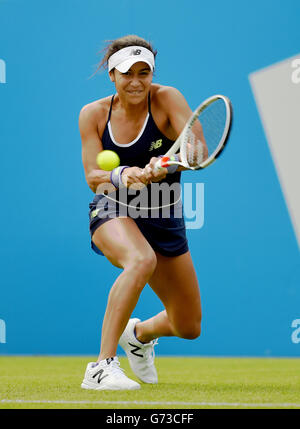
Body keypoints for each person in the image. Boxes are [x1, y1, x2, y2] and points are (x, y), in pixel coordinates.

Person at [79, 35, 202, 391]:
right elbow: (92, 175)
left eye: (143, 72)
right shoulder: (93, 113)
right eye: (126, 73)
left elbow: (198, 150)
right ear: (112, 76)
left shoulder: (167, 99)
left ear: (152, 74)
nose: (135, 81)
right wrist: (123, 174)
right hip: (111, 206)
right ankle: (101, 367)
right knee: (139, 259)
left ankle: (139, 334)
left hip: (163, 212)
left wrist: (169, 161)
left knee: (188, 325)